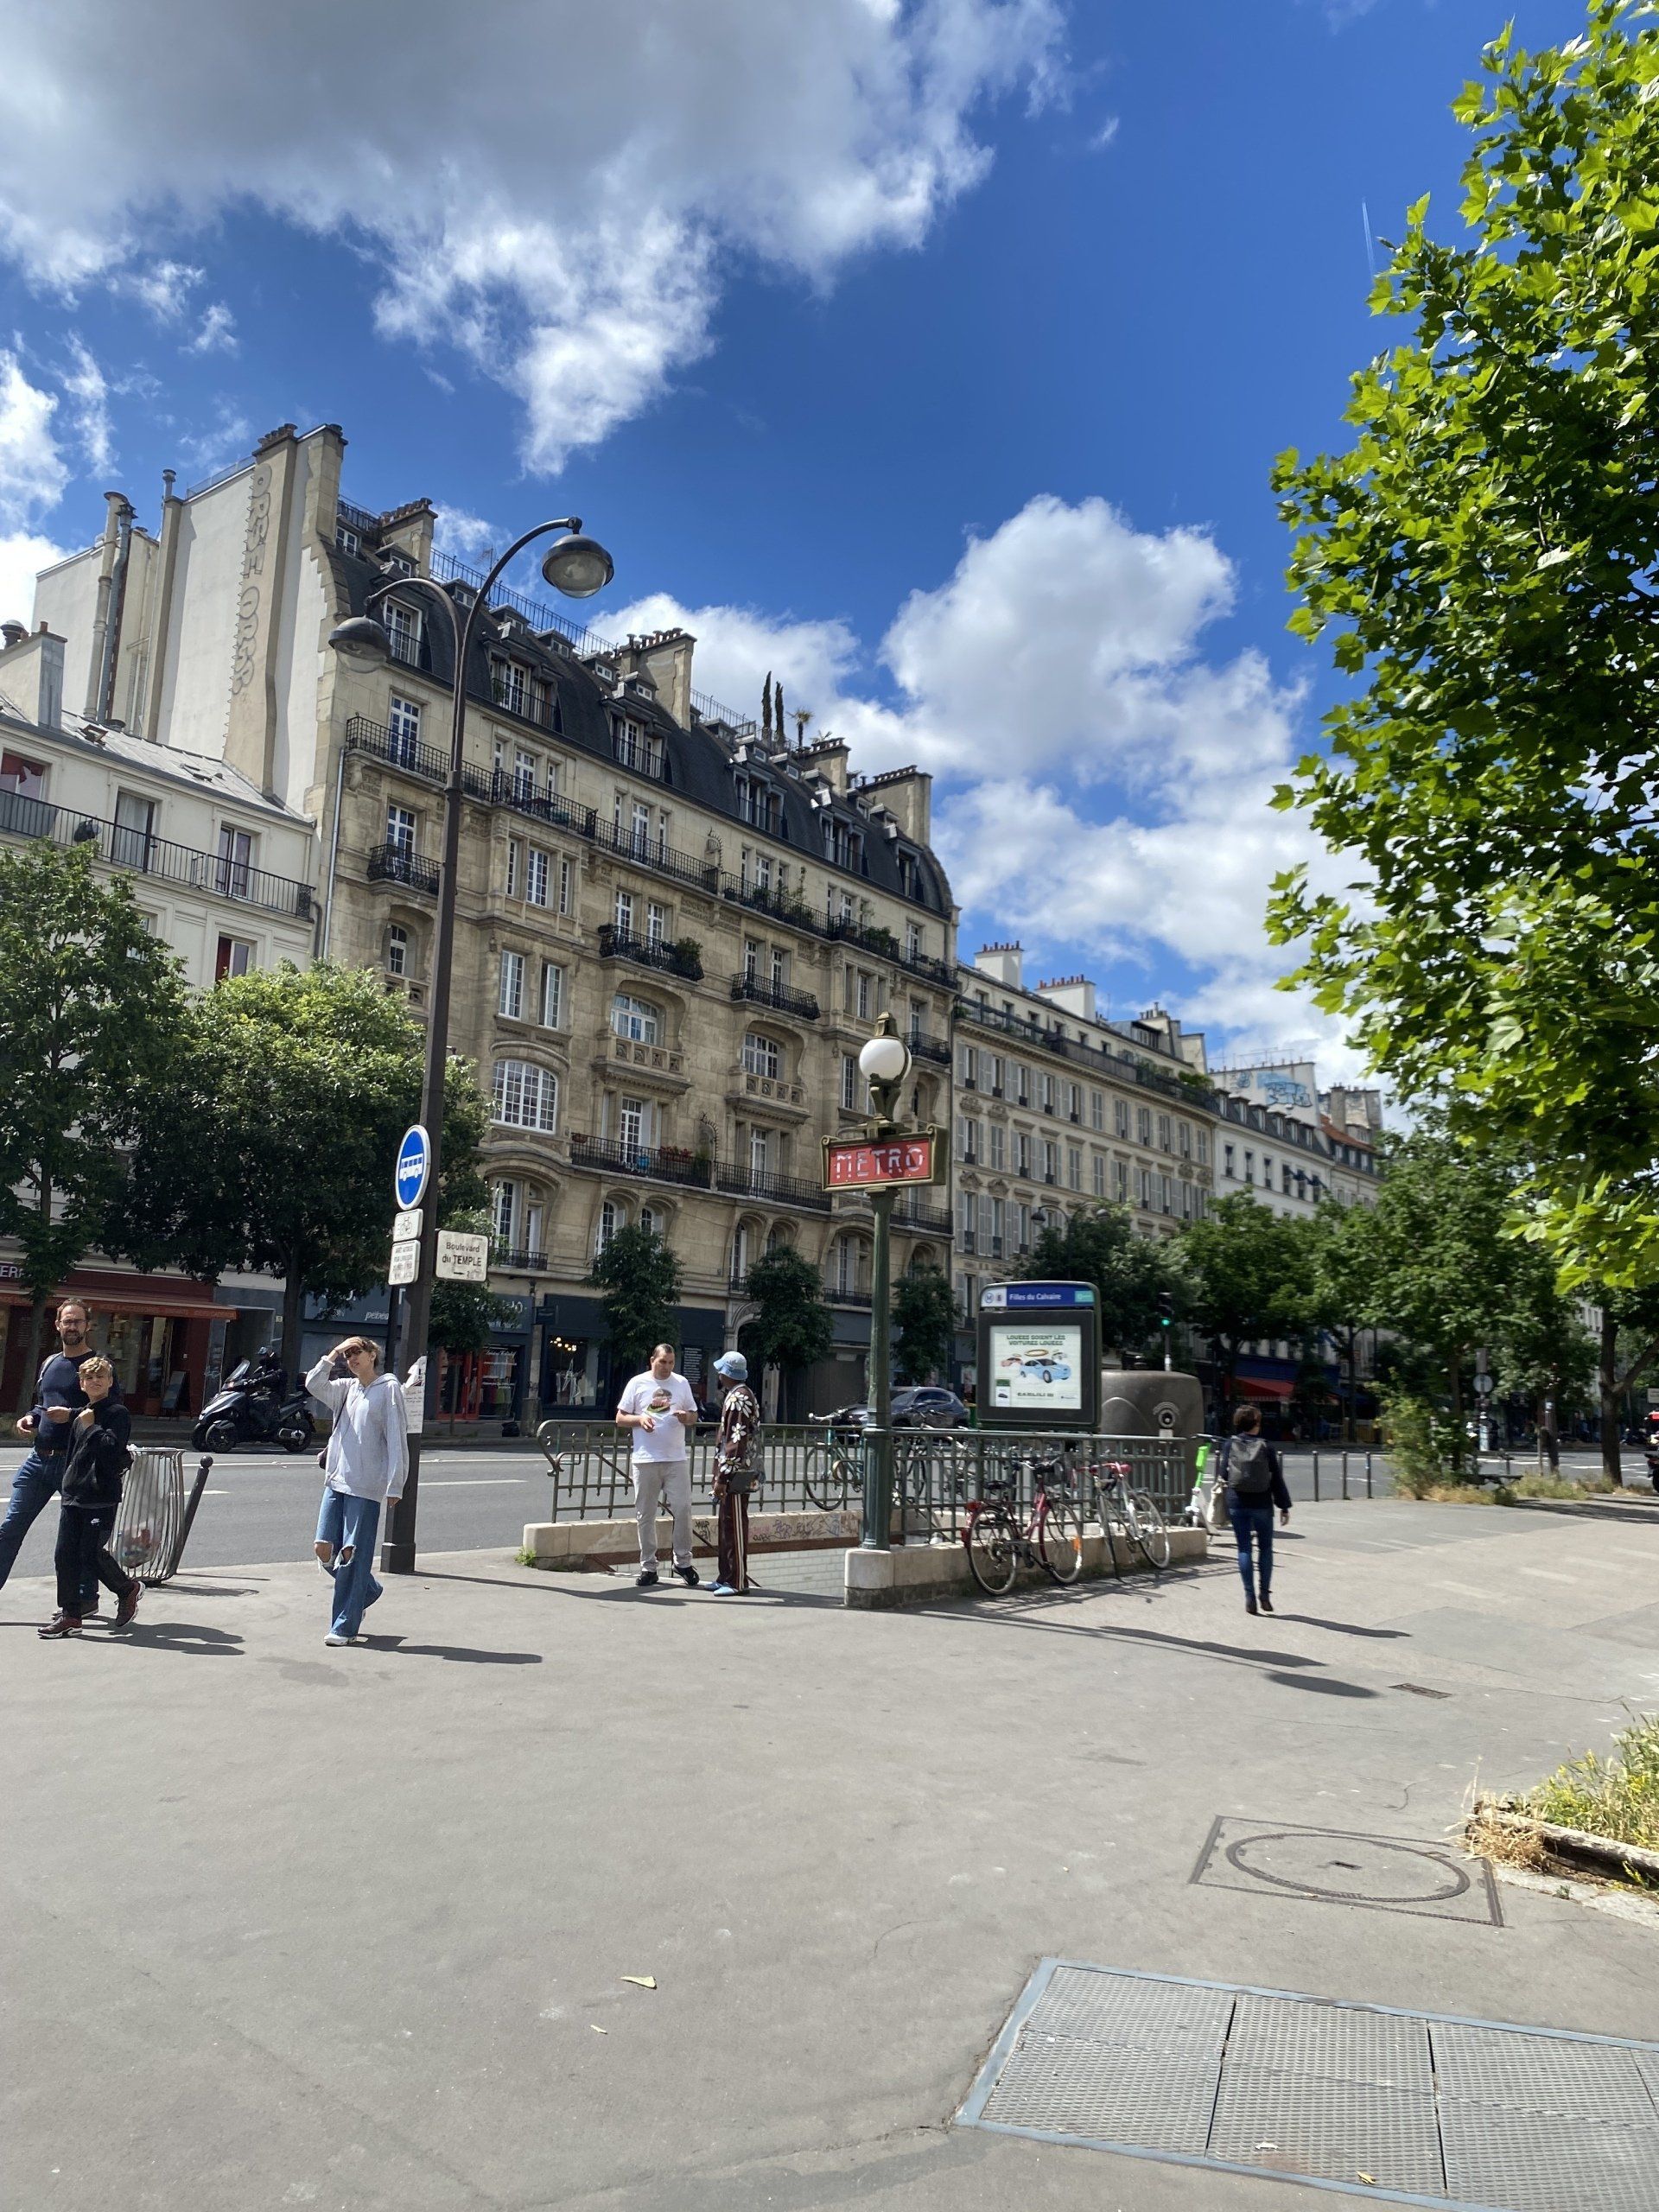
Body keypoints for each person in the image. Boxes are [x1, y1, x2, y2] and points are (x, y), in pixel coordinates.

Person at [0, 1300, 118, 1611]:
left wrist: (73, 1414)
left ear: (87, 1325)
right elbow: (41, 1403)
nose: (72, 1327)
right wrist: (30, 1418)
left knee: (77, 1539)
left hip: (75, 1463)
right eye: (67, 1321)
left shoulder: (97, 1367)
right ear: (58, 1325)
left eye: (78, 1321)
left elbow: (111, 1413)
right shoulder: (50, 1363)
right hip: (38, 1459)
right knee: (10, 1528)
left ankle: (85, 1599)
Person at [304, 1336, 408, 1647]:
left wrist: (395, 1483)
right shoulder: (345, 1389)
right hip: (336, 1480)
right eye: (347, 1355)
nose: (351, 1359)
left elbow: (396, 1437)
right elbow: (313, 1383)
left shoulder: (389, 1389)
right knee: (324, 1548)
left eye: (356, 1352)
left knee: (351, 1555)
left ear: (373, 1355)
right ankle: (368, 1590)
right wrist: (332, 1353)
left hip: (366, 1485)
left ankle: (345, 1626)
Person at [38, 1357, 142, 1637]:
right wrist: (67, 1484)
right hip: (75, 1494)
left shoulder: (117, 1413)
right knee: (64, 1555)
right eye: (89, 1378)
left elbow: (110, 1449)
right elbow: (74, 1456)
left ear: (109, 1382)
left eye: (101, 1377)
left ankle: (126, 1589)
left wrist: (91, 1427)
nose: (95, 1381)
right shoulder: (83, 1413)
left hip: (101, 1495)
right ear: (82, 1384)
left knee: (90, 1553)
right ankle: (71, 1616)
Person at [615, 1342, 700, 1589]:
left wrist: (687, 1418)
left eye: (671, 1362)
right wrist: (640, 1419)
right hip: (646, 1458)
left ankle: (683, 1561)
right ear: (652, 1360)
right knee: (646, 1514)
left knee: (683, 1509)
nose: (667, 1367)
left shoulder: (681, 1383)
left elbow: (694, 1416)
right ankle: (649, 1566)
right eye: (663, 1362)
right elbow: (620, 1417)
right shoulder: (637, 1383)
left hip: (676, 1458)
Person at [1219, 1402, 1292, 1616]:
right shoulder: (1266, 1446)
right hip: (1261, 1503)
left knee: (1244, 1549)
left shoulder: (1229, 1445)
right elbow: (1277, 1479)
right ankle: (1265, 1594)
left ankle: (1249, 1596)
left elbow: (1223, 1475)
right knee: (1266, 1548)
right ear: (1257, 1424)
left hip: (1237, 1502)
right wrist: (1284, 1506)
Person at [708, 1351, 761, 1595]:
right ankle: (726, 1576)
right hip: (738, 1472)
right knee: (728, 1523)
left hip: (737, 1474)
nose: (718, 1373)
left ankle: (737, 1581)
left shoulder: (738, 1399)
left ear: (727, 1374)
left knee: (735, 1524)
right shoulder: (739, 1395)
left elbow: (735, 1441)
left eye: (721, 1370)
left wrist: (722, 1477)